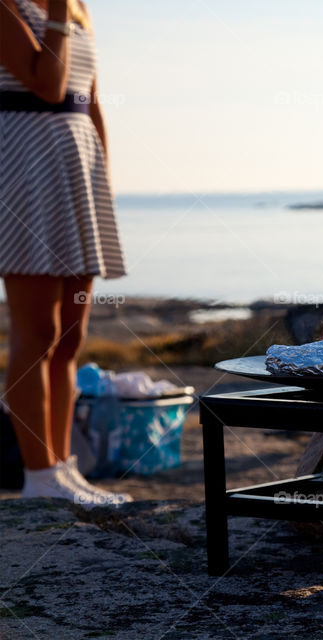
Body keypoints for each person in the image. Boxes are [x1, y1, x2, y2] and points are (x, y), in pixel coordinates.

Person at [1, 0, 130, 505]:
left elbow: (88, 98)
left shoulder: (78, 7)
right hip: (25, 169)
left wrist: (103, 182)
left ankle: (63, 466)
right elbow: (48, 84)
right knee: (37, 333)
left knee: (71, 337)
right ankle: (38, 476)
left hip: (77, 168)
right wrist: (56, 9)